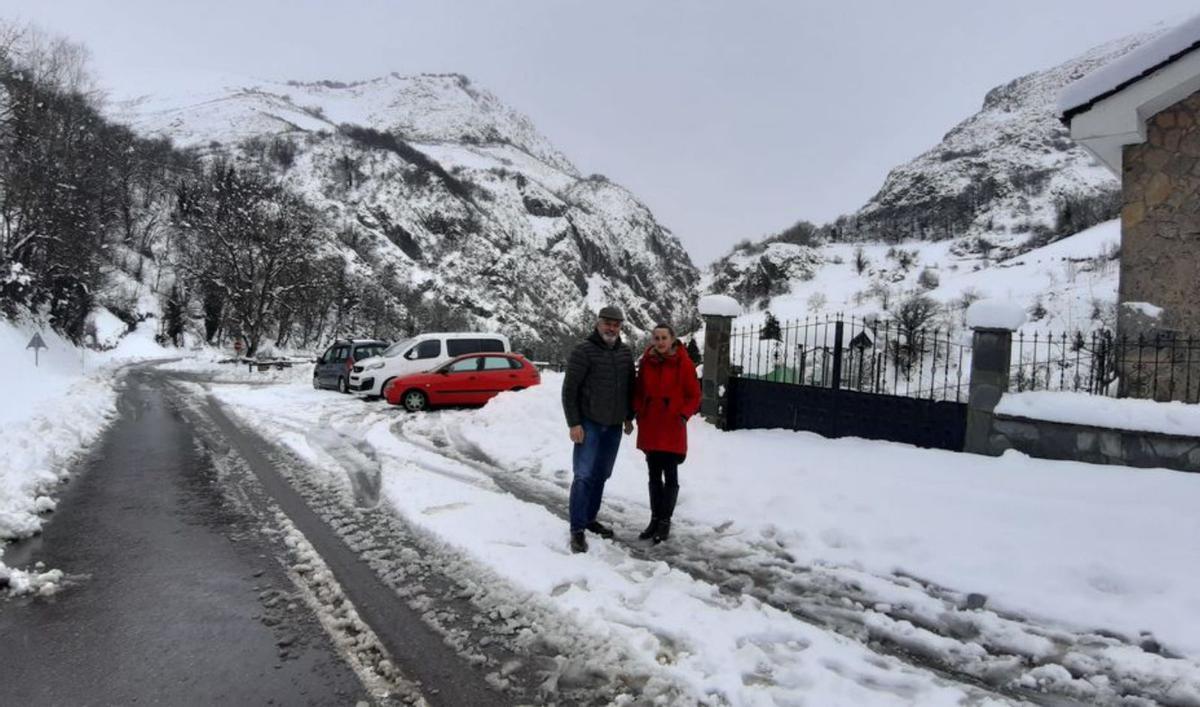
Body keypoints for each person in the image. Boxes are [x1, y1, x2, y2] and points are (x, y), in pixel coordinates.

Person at [561, 306, 636, 554]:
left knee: (601, 474)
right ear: (598, 323)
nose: (611, 328)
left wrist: (628, 417)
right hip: (589, 424)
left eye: (616, 324)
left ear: (620, 327)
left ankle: (590, 519)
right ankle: (577, 529)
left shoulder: (625, 353)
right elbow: (569, 390)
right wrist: (574, 423)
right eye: (607, 323)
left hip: (614, 426)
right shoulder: (583, 351)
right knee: (583, 475)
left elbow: (629, 388)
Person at [633, 323, 700, 544]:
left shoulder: (684, 364)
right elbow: (639, 390)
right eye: (656, 338)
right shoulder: (646, 362)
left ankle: (665, 521)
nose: (660, 342)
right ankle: (654, 519)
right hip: (651, 424)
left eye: (664, 337)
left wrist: (682, 415)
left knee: (670, 475)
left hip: (672, 426)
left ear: (672, 339)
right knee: (653, 475)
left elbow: (694, 395)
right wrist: (638, 412)